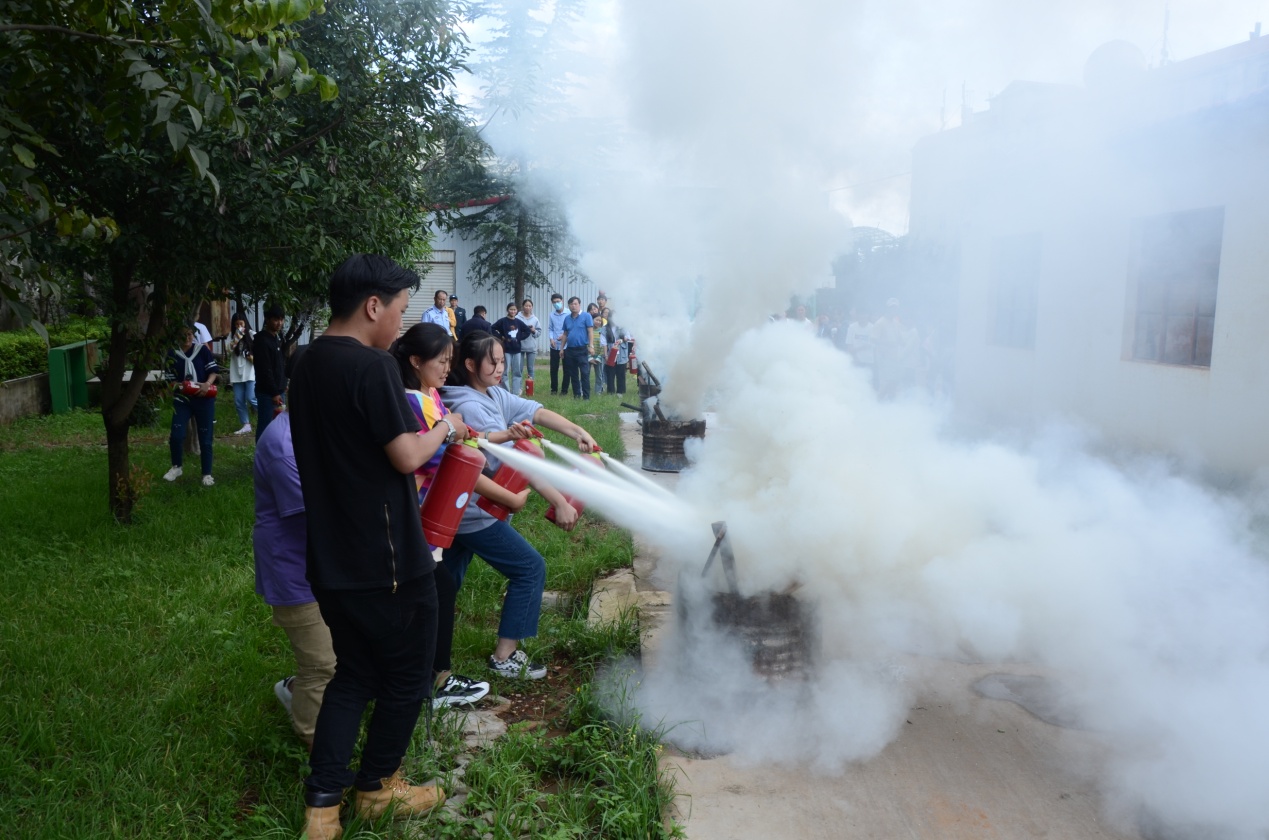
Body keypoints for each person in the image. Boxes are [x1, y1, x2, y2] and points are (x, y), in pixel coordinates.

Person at [289, 254, 459, 839]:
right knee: (408, 677)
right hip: (388, 561)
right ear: (372, 306)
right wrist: (448, 428)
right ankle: (378, 786)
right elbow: (408, 456)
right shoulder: (373, 368)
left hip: (331, 559)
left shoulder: (306, 363)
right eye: (400, 307)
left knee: (352, 675)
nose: (400, 319)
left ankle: (322, 808)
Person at [440, 331, 598, 679]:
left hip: (462, 508)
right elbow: (521, 462)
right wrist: (560, 501)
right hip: (475, 513)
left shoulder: (491, 393)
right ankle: (504, 656)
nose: (500, 367)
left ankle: (424, 652)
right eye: (492, 361)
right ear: (469, 364)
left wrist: (577, 432)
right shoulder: (469, 405)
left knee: (441, 585)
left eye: (502, 359)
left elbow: (536, 411)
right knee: (530, 568)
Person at [391, 324, 531, 707]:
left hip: (437, 517)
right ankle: (433, 680)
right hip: (419, 515)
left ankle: (427, 675)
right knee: (433, 592)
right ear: (416, 361)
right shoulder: (411, 402)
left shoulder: (432, 396)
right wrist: (510, 498)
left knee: (438, 589)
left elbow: (466, 440)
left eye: (450, 360)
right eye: (442, 360)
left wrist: (502, 436)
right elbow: (455, 459)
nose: (447, 368)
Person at [253, 408, 335, 747]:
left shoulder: (321, 424)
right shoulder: (285, 445)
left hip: (327, 564)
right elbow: (324, 518)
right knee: (321, 665)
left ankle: (294, 690)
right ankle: (315, 747)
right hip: (294, 569)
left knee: (341, 655)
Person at [163, 325, 219, 486]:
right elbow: (170, 380)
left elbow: (213, 372)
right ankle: (176, 467)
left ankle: (207, 474)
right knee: (177, 434)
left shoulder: (202, 350)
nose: (187, 338)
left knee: (205, 438)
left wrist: (206, 384)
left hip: (204, 398)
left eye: (189, 334)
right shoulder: (172, 353)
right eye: (183, 335)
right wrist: (181, 386)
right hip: (182, 400)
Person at [255, 304, 287, 443]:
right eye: (275, 319)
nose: (279, 323)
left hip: (279, 391)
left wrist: (283, 384)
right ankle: (260, 459)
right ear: (267, 320)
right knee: (265, 426)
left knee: (279, 427)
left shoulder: (276, 338)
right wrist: (274, 392)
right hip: (268, 393)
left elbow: (278, 366)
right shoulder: (262, 340)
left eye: (281, 319)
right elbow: (265, 369)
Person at [560, 296, 593, 400]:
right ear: (569, 306)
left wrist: (591, 346)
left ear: (579, 305)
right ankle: (577, 395)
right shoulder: (567, 318)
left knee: (584, 373)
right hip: (570, 349)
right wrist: (561, 349)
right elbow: (565, 334)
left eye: (575, 304)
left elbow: (590, 331)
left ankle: (586, 397)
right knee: (573, 373)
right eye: (571, 304)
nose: (573, 306)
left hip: (582, 349)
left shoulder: (586, 316)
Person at [229, 312, 256, 436]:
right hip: (237, 373)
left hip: (250, 372)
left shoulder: (252, 335)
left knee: (251, 397)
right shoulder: (232, 337)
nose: (239, 326)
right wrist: (237, 336)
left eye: (241, 323)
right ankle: (246, 424)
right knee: (239, 400)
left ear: (245, 323)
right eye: (236, 324)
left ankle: (269, 415)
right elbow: (228, 349)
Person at [491, 303, 524, 395]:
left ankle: (515, 393)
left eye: (514, 309)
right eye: (511, 309)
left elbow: (527, 331)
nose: (513, 311)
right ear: (507, 310)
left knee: (517, 372)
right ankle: (506, 392)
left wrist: (519, 337)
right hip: (506, 350)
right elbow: (492, 328)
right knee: (505, 372)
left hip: (517, 350)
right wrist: (500, 336)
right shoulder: (503, 321)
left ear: (517, 311)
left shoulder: (519, 322)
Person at [602, 309, 633, 395]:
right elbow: (604, 343)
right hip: (610, 354)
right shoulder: (605, 328)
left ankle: (621, 392)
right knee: (610, 374)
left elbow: (628, 337)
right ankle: (611, 392)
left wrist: (622, 340)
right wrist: (606, 355)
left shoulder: (623, 327)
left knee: (621, 374)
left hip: (621, 354)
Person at [514, 298, 540, 394]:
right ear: (522, 307)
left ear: (532, 307)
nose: (528, 307)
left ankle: (530, 388)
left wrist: (533, 330)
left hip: (531, 347)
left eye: (530, 306)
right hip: (519, 347)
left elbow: (538, 333)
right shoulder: (517, 317)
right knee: (518, 368)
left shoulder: (535, 319)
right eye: (526, 305)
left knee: (531, 368)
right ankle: (519, 388)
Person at [547, 293, 566, 395]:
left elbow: (570, 328)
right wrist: (551, 339)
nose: (556, 304)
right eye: (554, 302)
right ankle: (554, 389)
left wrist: (564, 335)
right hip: (554, 346)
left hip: (566, 345)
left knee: (566, 369)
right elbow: (550, 328)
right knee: (553, 368)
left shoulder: (568, 313)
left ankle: (564, 390)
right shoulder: (552, 315)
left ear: (562, 301)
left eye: (558, 301)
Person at [587, 303, 606, 394]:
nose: (598, 322)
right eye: (596, 320)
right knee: (585, 374)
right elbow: (585, 344)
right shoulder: (588, 331)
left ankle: (598, 392)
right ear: (592, 320)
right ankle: (584, 391)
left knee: (599, 375)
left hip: (599, 357)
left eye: (600, 321)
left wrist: (599, 357)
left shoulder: (602, 331)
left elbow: (603, 345)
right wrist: (589, 357)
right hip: (588, 357)